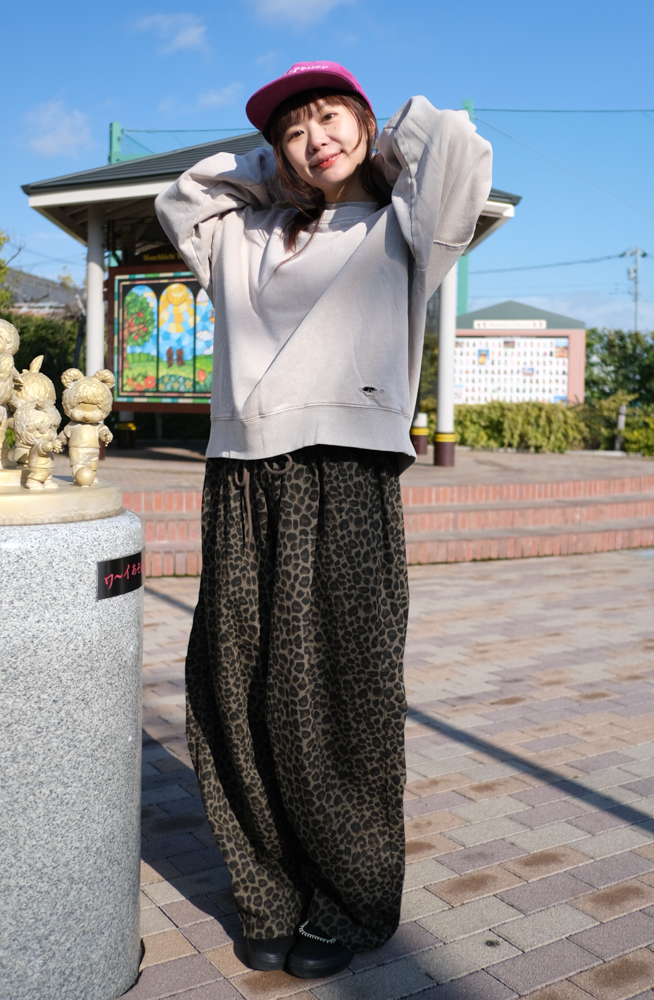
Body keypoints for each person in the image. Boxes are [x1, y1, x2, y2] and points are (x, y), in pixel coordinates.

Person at [155, 61, 492, 980]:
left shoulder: (406, 225)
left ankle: (349, 899)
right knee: (233, 691)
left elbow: (455, 144)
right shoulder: (246, 234)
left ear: (367, 123)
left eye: (331, 117)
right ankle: (267, 888)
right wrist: (273, 172)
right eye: (295, 130)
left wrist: (373, 150)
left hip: (346, 475)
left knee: (339, 695)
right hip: (240, 476)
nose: (316, 139)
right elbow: (183, 197)